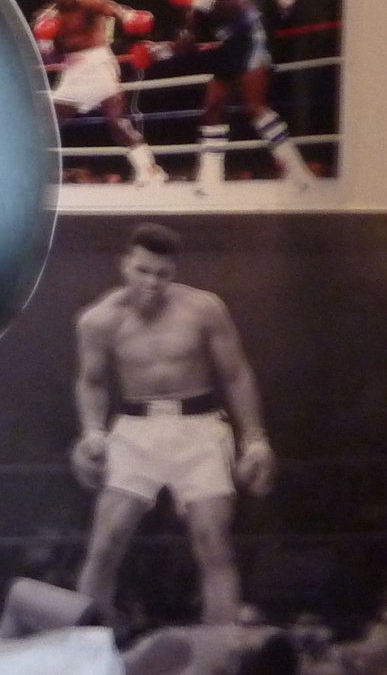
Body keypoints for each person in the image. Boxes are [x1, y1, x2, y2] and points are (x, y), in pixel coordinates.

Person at [71, 223, 274, 629]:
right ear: (125, 265)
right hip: (135, 428)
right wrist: (92, 433)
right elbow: (92, 381)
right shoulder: (98, 320)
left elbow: (236, 373)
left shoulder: (203, 308)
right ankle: (85, 649)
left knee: (213, 542)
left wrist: (255, 439)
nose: (152, 282)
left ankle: (220, 653)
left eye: (162, 274)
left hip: (199, 427)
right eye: (143, 271)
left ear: (174, 272)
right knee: (106, 541)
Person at [156, 0, 311, 187]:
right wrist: (161, 51)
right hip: (228, 45)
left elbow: (241, 4)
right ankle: (210, 180)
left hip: (249, 36)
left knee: (254, 107)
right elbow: (190, 39)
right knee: (212, 110)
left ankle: (298, 173)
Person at [34, 0, 161, 185]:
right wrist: (45, 45)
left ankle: (149, 169)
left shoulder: (87, 1)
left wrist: (127, 16)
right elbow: (52, 56)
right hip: (72, 70)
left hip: (98, 63)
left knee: (117, 122)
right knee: (48, 122)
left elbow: (111, 7)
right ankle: (36, 171)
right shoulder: (45, 17)